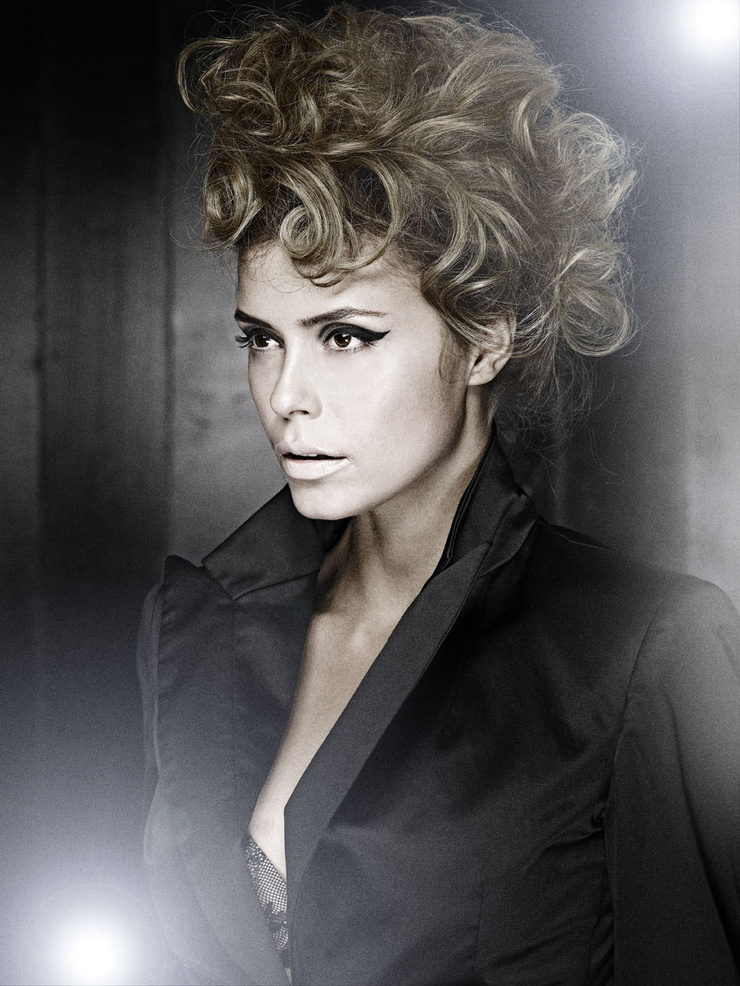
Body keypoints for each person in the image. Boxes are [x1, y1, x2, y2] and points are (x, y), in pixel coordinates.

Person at [137, 5, 740, 984]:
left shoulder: (641, 651)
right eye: (262, 339)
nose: (285, 395)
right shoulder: (193, 621)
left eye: (345, 336)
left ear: (486, 336)